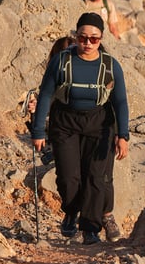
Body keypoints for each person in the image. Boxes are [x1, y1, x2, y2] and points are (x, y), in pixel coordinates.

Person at [31, 13, 129, 245]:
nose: (87, 43)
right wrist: (38, 131)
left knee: (97, 178)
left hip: (100, 123)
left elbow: (120, 102)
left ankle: (91, 230)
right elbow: (45, 94)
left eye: (93, 39)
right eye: (82, 38)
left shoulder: (110, 66)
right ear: (75, 36)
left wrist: (122, 135)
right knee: (68, 177)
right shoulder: (61, 61)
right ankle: (72, 211)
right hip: (65, 122)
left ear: (101, 38)